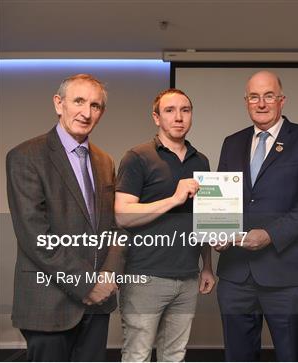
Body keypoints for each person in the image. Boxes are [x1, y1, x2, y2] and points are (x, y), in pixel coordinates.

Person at [6, 74, 122, 361]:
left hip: (97, 304)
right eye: (79, 101)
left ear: (102, 113)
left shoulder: (105, 161)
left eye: (95, 105)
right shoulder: (25, 156)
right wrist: (87, 284)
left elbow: (115, 226)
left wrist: (108, 274)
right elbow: (34, 235)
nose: (86, 112)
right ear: (59, 104)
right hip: (49, 303)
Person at [214, 70, 298, 361]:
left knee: (290, 356)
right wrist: (216, 231)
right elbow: (222, 201)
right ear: (246, 101)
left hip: (286, 276)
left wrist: (271, 234)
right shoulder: (232, 142)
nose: (261, 103)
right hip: (235, 276)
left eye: (268, 96)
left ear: (281, 100)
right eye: (254, 97)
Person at [115, 88, 215, 362]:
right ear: (156, 118)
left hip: (187, 277)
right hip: (145, 276)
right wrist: (173, 199)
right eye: (170, 111)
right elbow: (122, 215)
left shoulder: (201, 161)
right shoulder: (137, 157)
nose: (179, 117)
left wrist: (206, 265)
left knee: (175, 355)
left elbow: (202, 219)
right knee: (137, 354)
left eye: (185, 110)